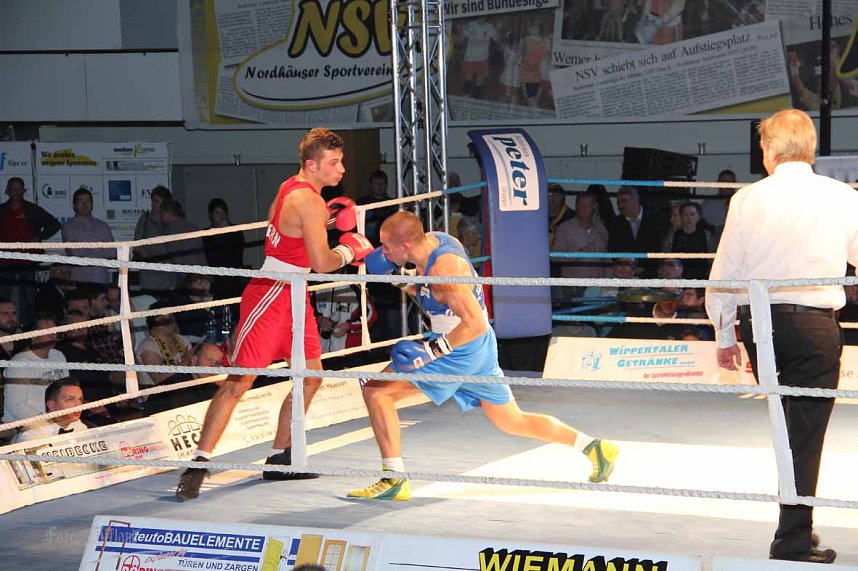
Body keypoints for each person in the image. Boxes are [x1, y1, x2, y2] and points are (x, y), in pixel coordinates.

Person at [348, 211, 618, 500]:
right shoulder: (438, 242)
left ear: (405, 246)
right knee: (511, 420)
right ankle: (593, 447)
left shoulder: (445, 269)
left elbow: (472, 322)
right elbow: (435, 297)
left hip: (461, 347)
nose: (383, 253)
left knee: (377, 391)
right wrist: (399, 280)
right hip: (475, 345)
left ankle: (393, 479)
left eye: (387, 247)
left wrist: (429, 352)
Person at [175, 127, 373, 501]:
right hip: (271, 294)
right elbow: (322, 263)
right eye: (334, 162)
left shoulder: (290, 188)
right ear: (312, 165)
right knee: (239, 382)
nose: (342, 169)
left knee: (311, 376)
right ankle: (197, 465)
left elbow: (289, 233)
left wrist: (325, 225)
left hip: (294, 295)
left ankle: (281, 456)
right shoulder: (310, 202)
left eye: (341, 161)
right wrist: (349, 249)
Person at [706, 109, 858, 564]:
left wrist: (724, 332)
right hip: (814, 326)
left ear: (769, 149)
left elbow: (725, 272)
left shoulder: (748, 199)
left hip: (763, 328)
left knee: (787, 428)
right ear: (808, 147)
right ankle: (792, 535)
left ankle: (796, 526)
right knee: (804, 433)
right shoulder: (840, 196)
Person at [0, 177, 61, 328]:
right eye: (13, 189)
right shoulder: (1, 210)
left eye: (19, 189)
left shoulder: (32, 209)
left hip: (28, 260)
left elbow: (54, 224)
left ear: (24, 191)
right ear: (7, 191)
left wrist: (39, 236)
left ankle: (29, 329)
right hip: (5, 261)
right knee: (3, 299)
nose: (16, 192)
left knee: (29, 298)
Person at [2, 315, 70, 425]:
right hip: (25, 424)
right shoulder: (19, 364)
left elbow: (67, 390)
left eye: (54, 330)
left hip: (56, 418)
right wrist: (48, 421)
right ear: (33, 336)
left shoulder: (59, 356)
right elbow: (16, 406)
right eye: (46, 331)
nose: (51, 335)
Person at [143, 342, 223, 415]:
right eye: (209, 360)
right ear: (194, 361)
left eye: (217, 363)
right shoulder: (173, 388)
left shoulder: (215, 388)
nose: (213, 367)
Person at [61, 186, 116, 286]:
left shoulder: (102, 225)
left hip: (100, 279)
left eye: (88, 201)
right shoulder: (68, 226)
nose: (84, 204)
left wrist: (89, 253)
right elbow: (76, 253)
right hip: (79, 280)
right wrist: (99, 250)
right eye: (80, 201)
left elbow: (112, 252)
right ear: (74, 205)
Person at [13, 378, 89, 443]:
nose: (78, 405)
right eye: (70, 399)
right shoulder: (32, 433)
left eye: (80, 400)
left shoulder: (77, 424)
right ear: (52, 406)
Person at [202, 198, 246, 300]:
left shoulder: (235, 231)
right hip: (215, 281)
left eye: (223, 213)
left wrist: (226, 230)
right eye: (217, 213)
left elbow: (235, 255)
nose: (221, 216)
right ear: (210, 215)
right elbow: (211, 257)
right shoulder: (206, 235)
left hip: (233, 280)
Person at [133, 185, 174, 295]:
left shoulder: (171, 220)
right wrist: (148, 257)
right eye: (153, 201)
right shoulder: (145, 218)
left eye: (157, 201)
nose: (154, 204)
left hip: (167, 270)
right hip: (148, 270)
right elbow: (136, 243)